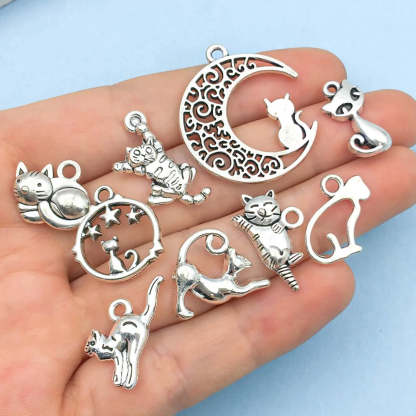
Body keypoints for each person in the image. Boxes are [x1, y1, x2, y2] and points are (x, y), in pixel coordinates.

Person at [0, 47, 415, 415]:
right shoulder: (137, 172)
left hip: (173, 196)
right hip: (149, 205)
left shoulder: (161, 161)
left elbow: (149, 148)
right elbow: (136, 163)